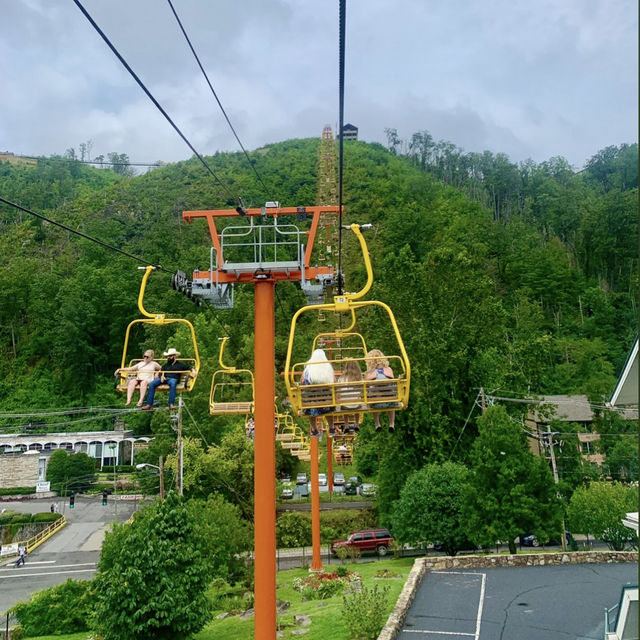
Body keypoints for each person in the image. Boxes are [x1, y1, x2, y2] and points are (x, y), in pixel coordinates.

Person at [301, 349, 334, 437]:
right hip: (326, 403)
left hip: (312, 404)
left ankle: (314, 430)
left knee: (310, 408)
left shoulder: (308, 369)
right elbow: (333, 382)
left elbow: (302, 382)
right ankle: (331, 427)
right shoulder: (328, 368)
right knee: (329, 407)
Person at [365, 349, 396, 432]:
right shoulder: (389, 370)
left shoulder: (370, 372)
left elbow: (366, 384)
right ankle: (392, 423)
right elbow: (393, 380)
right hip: (391, 403)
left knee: (372, 396)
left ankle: (377, 423)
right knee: (391, 395)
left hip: (376, 404)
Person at [336, 358, 364, 432]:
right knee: (357, 400)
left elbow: (338, 392)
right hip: (356, 405)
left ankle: (346, 424)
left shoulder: (341, 378)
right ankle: (357, 423)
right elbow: (362, 391)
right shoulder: (359, 378)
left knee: (343, 403)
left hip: (345, 406)